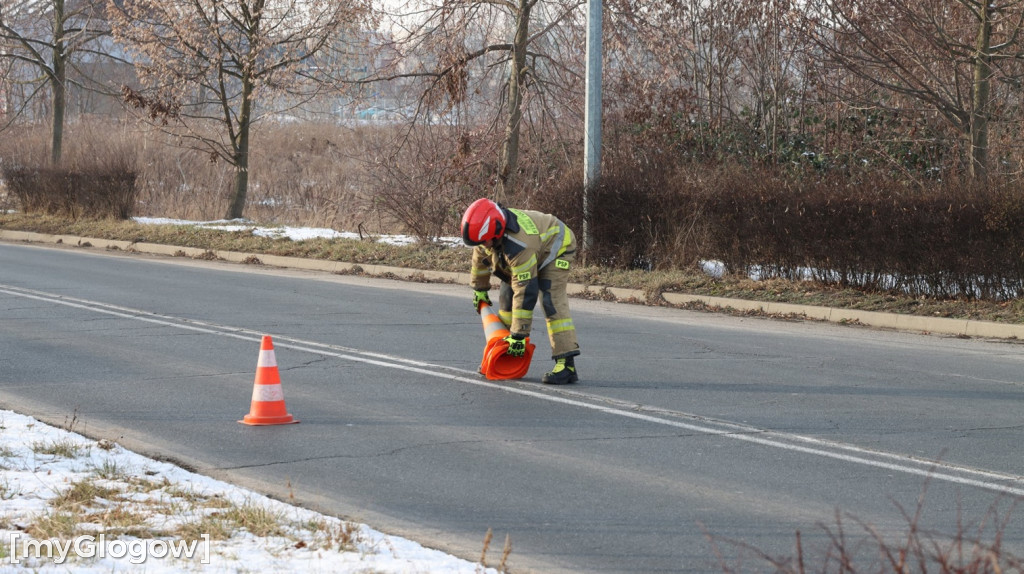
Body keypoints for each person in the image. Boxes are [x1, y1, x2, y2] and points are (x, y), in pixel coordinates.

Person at [460, 198, 580, 384]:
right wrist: (479, 289)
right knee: (507, 295)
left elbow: (526, 291)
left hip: (557, 247)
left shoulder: (520, 245)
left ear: (497, 231)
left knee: (550, 299)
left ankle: (566, 364)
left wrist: (520, 334)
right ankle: (504, 352)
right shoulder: (487, 236)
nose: (483, 246)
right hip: (531, 248)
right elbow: (479, 259)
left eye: (484, 242)